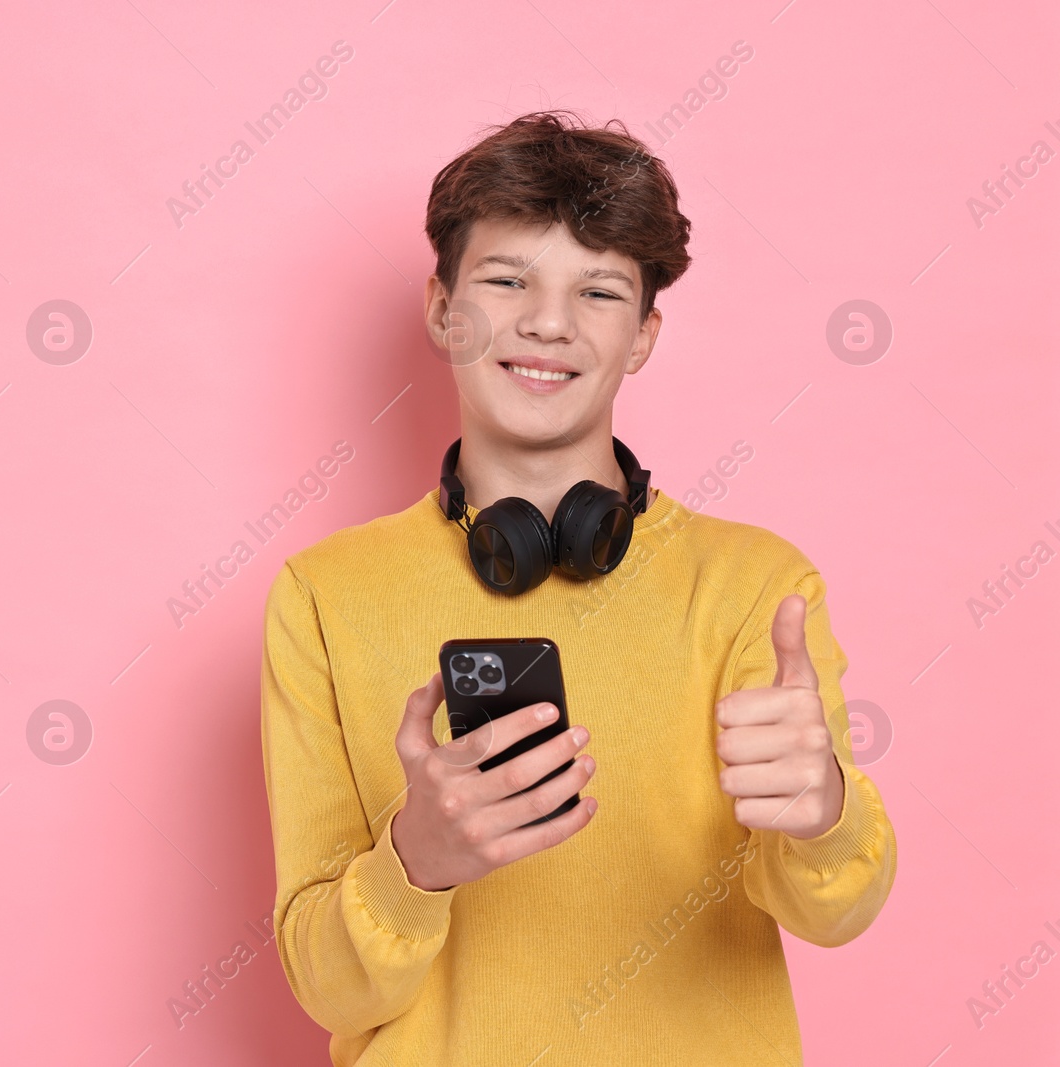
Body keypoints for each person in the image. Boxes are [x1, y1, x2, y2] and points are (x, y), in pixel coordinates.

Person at [258, 110, 897, 1065]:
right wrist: (413, 867)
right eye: (508, 279)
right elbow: (324, 985)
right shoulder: (323, 593)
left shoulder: (759, 585)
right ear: (441, 309)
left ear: (643, 335)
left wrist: (824, 809)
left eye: (597, 292)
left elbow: (834, 912)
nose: (547, 322)